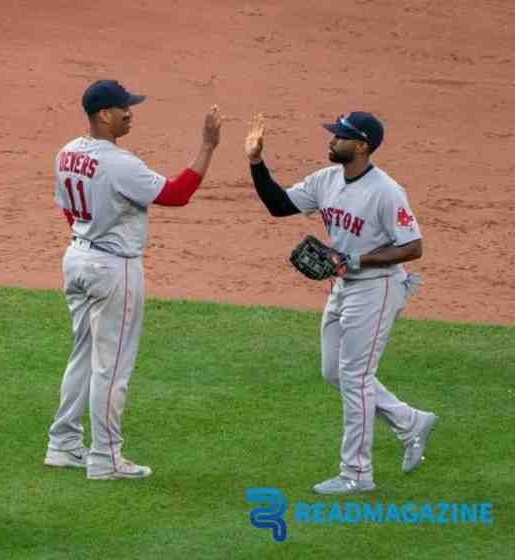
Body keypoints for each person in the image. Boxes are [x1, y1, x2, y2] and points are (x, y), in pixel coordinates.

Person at [244, 111, 438, 495]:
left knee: (356, 378)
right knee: (335, 371)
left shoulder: (386, 191)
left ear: (362, 146)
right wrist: (256, 161)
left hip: (378, 288)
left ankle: (357, 473)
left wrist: (358, 260)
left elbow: (413, 247)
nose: (332, 141)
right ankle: (410, 422)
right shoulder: (326, 180)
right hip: (344, 286)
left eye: (341, 137)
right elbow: (279, 205)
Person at [45, 79, 222, 480]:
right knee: (112, 365)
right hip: (114, 268)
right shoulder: (118, 163)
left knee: (84, 355)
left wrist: (90, 234)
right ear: (104, 115)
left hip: (76, 258)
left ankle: (63, 444)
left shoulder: (67, 152)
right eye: (125, 107)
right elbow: (176, 194)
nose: (131, 113)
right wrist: (208, 146)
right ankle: (105, 459)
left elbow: (67, 211)